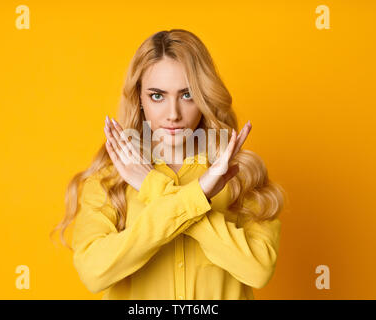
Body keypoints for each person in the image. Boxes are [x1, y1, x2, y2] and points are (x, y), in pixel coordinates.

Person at [51, 29, 286, 300]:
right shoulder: (109, 179)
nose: (173, 114)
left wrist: (152, 187)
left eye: (187, 95)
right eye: (157, 96)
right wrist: (198, 196)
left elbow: (257, 270)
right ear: (139, 98)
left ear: (204, 96)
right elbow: (94, 273)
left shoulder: (241, 175)